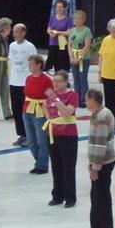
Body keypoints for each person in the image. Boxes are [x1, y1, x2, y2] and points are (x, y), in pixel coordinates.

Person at [82, 89, 115, 228]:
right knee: (95, 198)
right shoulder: (98, 114)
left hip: (103, 163)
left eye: (87, 100)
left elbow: (100, 144)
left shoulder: (101, 117)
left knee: (102, 199)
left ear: (93, 100)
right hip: (98, 162)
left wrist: (95, 167)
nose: (85, 103)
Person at [44, 71, 80, 208]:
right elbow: (45, 106)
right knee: (56, 166)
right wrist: (50, 119)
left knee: (68, 167)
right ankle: (57, 195)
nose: (56, 84)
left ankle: (70, 197)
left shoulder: (72, 95)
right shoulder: (51, 95)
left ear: (66, 82)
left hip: (68, 135)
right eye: (54, 81)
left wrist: (56, 99)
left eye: (59, 81)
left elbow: (66, 112)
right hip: (54, 134)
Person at [21, 54, 52, 174]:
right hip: (27, 109)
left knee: (41, 139)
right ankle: (39, 161)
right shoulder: (28, 78)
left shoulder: (46, 80)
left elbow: (50, 96)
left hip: (40, 111)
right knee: (30, 140)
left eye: (32, 64)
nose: (29, 66)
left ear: (39, 65)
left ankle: (42, 165)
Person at [8, 22, 37, 147]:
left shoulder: (29, 46)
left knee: (26, 110)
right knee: (16, 110)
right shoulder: (12, 45)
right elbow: (11, 60)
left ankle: (29, 135)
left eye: (17, 31)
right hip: (14, 81)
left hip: (25, 82)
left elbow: (36, 61)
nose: (14, 34)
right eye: (14, 31)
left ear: (23, 33)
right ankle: (21, 134)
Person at [97, 19, 115, 133]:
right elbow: (101, 56)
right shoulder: (106, 40)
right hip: (106, 74)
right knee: (108, 101)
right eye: (112, 30)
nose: (114, 32)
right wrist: (99, 72)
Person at [69, 10, 92, 107]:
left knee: (83, 79)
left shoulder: (86, 30)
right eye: (75, 19)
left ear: (83, 20)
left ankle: (84, 100)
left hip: (84, 58)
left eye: (79, 19)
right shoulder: (72, 30)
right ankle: (76, 99)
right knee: (76, 78)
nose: (77, 21)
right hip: (74, 57)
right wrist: (71, 57)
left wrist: (79, 58)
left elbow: (87, 46)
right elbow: (69, 45)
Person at [46, 0, 73, 72]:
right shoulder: (52, 17)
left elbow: (69, 32)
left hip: (62, 44)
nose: (59, 9)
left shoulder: (68, 19)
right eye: (57, 7)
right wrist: (50, 33)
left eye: (61, 7)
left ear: (65, 8)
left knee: (63, 63)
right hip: (53, 43)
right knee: (55, 63)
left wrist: (58, 33)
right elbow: (48, 29)